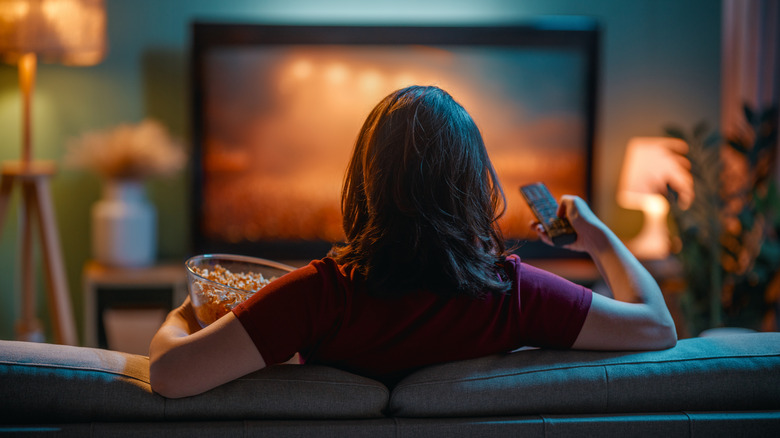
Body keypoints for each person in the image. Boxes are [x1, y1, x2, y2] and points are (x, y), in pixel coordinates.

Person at [150, 85, 676, 398]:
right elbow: (657, 326)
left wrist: (187, 314)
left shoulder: (319, 295)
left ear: (366, 181)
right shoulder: (512, 296)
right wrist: (600, 240)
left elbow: (169, 376)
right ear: (472, 185)